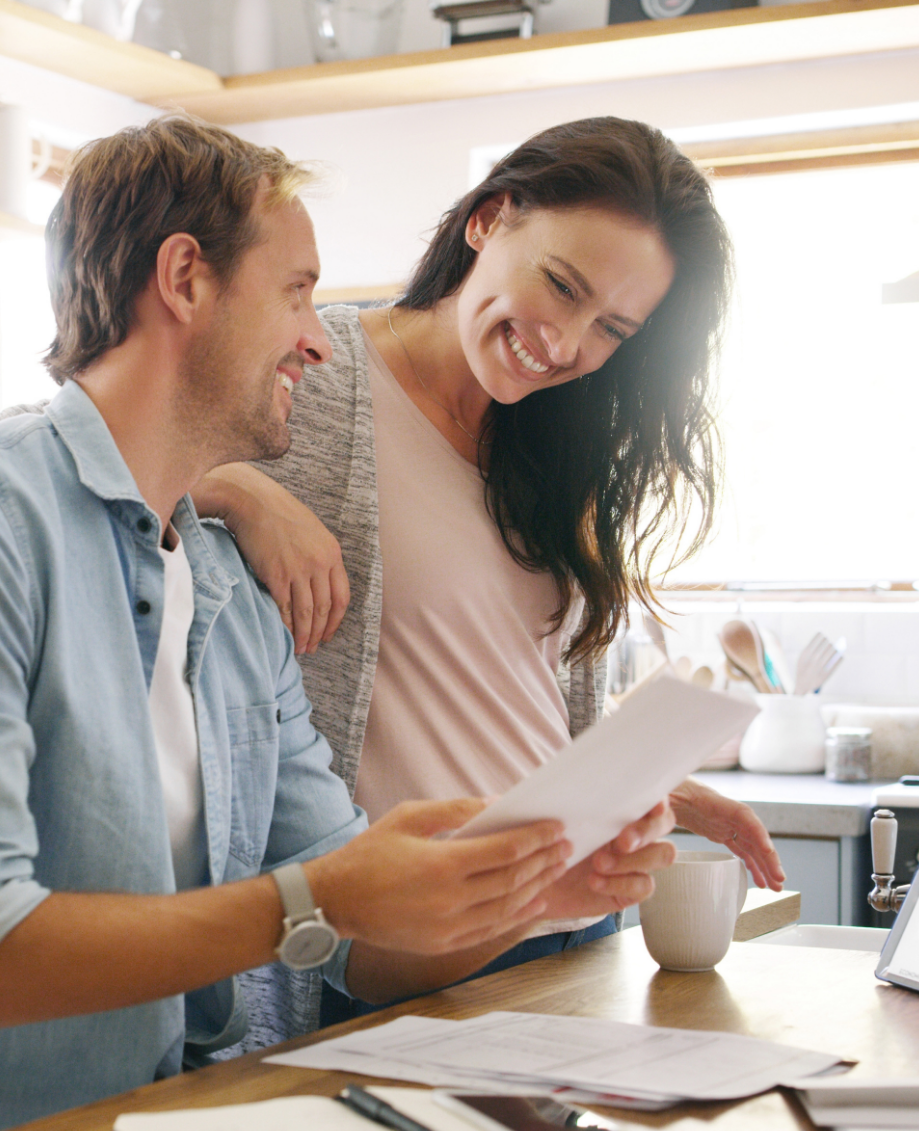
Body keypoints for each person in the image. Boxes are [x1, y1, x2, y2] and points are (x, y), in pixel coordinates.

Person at [0, 115, 677, 1131]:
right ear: (185, 280)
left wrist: (529, 884)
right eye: (298, 291)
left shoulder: (228, 596)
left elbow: (358, 939)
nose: (318, 337)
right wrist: (319, 895)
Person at [190, 118, 786, 1033]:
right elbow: (106, 442)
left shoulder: (559, 447)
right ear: (489, 219)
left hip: (569, 928)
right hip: (393, 949)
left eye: (613, 328)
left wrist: (638, 783)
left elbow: (502, 697)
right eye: (561, 285)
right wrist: (238, 492)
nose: (566, 343)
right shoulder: (314, 370)